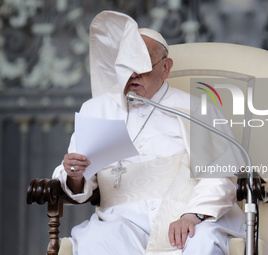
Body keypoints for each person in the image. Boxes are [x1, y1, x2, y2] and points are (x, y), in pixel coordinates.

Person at [53, 11, 246, 255]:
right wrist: (74, 174)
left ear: (165, 68)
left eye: (142, 67)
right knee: (96, 241)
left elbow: (220, 173)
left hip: (186, 219)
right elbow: (80, 181)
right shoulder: (97, 109)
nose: (132, 75)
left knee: (203, 243)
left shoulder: (196, 109)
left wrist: (192, 215)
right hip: (121, 221)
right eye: (126, 67)